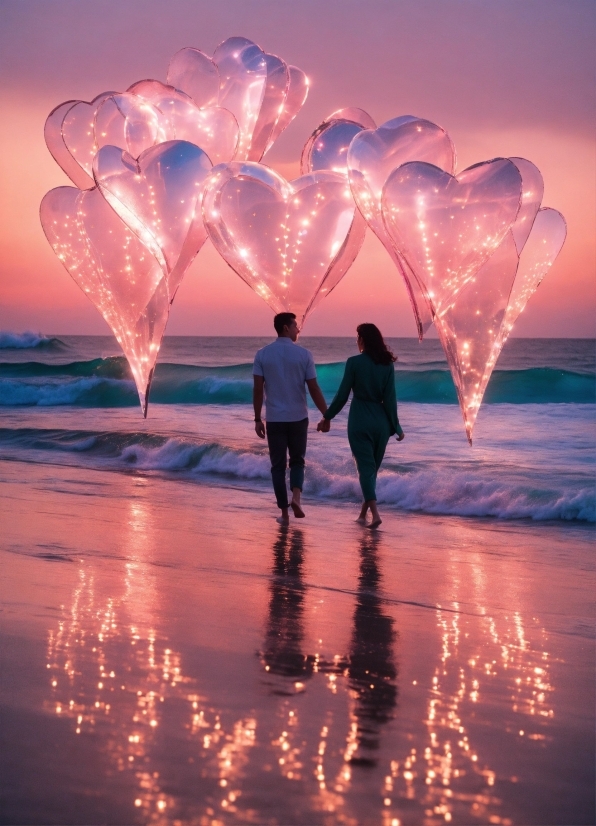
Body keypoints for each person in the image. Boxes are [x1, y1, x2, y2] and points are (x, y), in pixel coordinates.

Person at [317, 323, 405, 529]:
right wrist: (397, 427)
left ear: (362, 340)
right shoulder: (387, 365)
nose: (356, 342)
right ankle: (363, 514)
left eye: (357, 338)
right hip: (381, 422)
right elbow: (391, 399)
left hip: (360, 420)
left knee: (365, 469)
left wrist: (327, 417)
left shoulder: (354, 363)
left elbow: (342, 396)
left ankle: (375, 515)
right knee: (371, 470)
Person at [253, 312, 328, 525]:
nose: (298, 329)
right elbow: (313, 388)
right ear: (286, 327)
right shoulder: (304, 355)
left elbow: (258, 389)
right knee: (297, 461)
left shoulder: (262, 354)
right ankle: (296, 498)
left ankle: (285, 514)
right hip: (298, 417)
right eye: (295, 325)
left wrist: (257, 418)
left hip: (275, 418)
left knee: (277, 466)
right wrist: (326, 414)